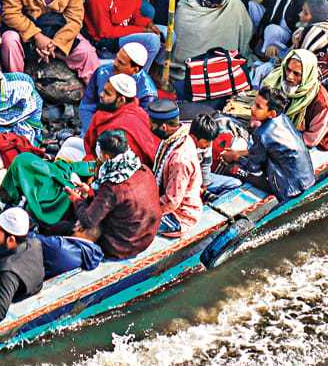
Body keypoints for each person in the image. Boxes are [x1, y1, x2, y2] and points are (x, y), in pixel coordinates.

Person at [67, 128, 163, 260]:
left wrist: (77, 200)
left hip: (122, 246)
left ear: (106, 156)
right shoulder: (143, 169)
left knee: (65, 226)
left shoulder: (113, 186)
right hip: (145, 236)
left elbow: (89, 219)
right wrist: (89, 192)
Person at [230, 89, 315, 201]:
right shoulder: (283, 119)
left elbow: (253, 166)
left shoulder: (261, 134)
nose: (252, 108)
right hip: (308, 180)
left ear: (272, 113)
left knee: (233, 169)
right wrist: (240, 153)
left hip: (289, 190)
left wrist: (236, 157)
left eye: (258, 107)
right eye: (254, 104)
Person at [169, 0, 254, 70]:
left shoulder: (232, 2)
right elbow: (182, 52)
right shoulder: (186, 11)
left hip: (229, 67)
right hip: (195, 71)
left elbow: (246, 32)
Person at [77, 41, 160, 135]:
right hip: (94, 129)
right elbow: (86, 107)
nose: (115, 63)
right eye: (116, 58)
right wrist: (93, 132)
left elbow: (141, 127)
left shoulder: (147, 93)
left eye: (121, 62)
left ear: (135, 69)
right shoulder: (102, 72)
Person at [146, 96, 202, 234]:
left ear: (163, 127)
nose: (150, 127)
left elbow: (171, 202)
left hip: (180, 215)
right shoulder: (176, 137)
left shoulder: (180, 159)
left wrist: (143, 210)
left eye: (152, 125)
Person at [263, 47, 328, 149]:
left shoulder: (322, 104)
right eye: (288, 70)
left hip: (298, 142)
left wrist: (280, 137)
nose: (289, 76)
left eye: (296, 74)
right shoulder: (279, 81)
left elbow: (311, 139)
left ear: (307, 75)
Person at [82, 70, 160, 164]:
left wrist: (89, 165)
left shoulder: (122, 130)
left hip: (112, 167)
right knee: (70, 142)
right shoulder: (108, 110)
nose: (101, 94)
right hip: (99, 156)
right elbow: (90, 142)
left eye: (107, 93)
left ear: (121, 100)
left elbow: (119, 164)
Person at [191, 112, 251, 201]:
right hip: (186, 181)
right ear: (195, 138)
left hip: (199, 177)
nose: (209, 145)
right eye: (207, 142)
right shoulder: (183, 150)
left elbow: (206, 165)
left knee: (235, 184)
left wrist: (204, 190)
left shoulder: (206, 139)